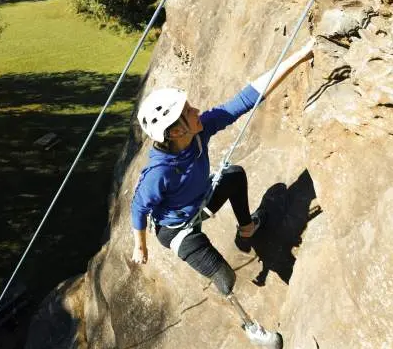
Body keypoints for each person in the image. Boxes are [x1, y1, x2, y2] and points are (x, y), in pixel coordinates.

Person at [131, 41, 314, 304]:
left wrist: (299, 56)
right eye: (188, 112)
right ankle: (247, 324)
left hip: (200, 201)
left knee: (234, 175)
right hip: (177, 229)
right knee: (226, 279)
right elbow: (139, 206)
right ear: (174, 132)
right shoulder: (159, 173)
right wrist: (141, 246)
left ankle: (247, 228)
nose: (196, 111)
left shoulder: (199, 131)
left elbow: (244, 99)